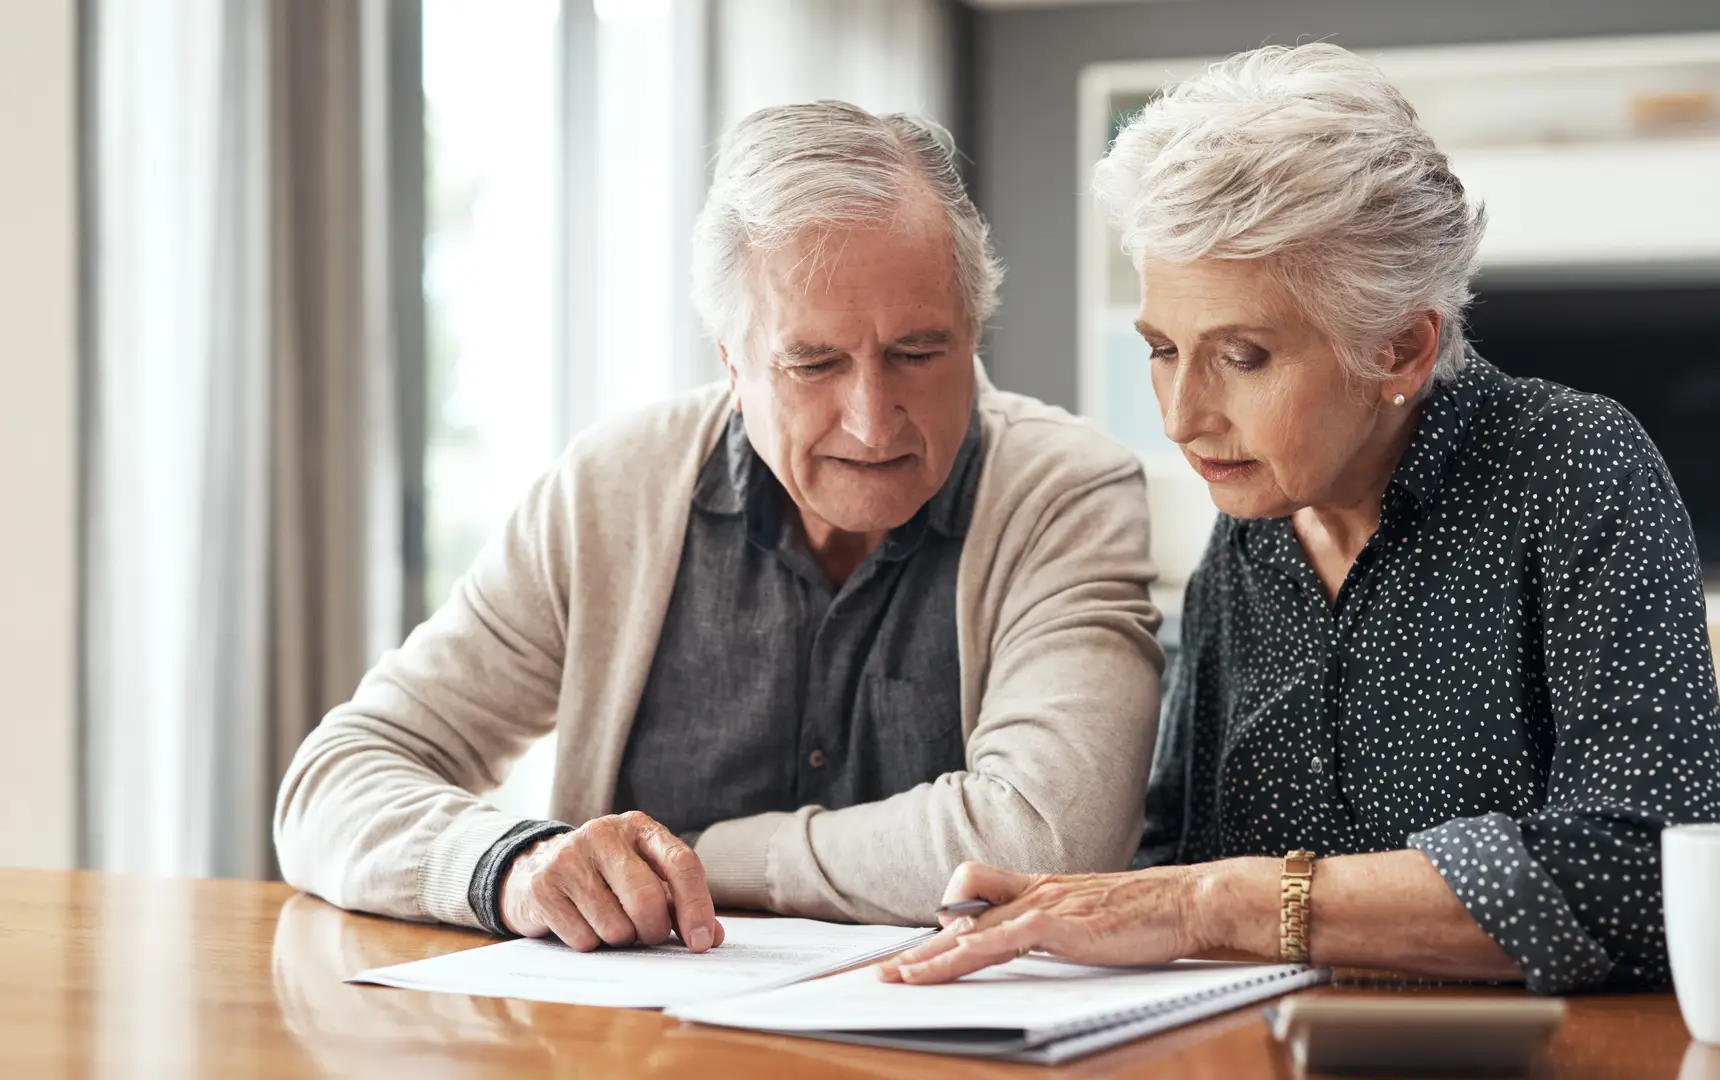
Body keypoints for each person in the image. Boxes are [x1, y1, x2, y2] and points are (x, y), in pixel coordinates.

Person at [878, 43, 1720, 994]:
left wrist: (1219, 905)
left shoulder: (1576, 470)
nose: (1181, 417)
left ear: (1402, 349)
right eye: (1164, 348)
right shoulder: (1246, 534)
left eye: (1242, 356)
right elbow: (1182, 851)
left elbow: (1648, 870)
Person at [274, 102, 1164, 953]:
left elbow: (1048, 839)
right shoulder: (610, 493)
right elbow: (337, 778)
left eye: (918, 354)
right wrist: (517, 864)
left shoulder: (1064, 491)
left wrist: (707, 856)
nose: (873, 418)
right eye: (813, 363)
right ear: (731, 361)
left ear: (973, 332)